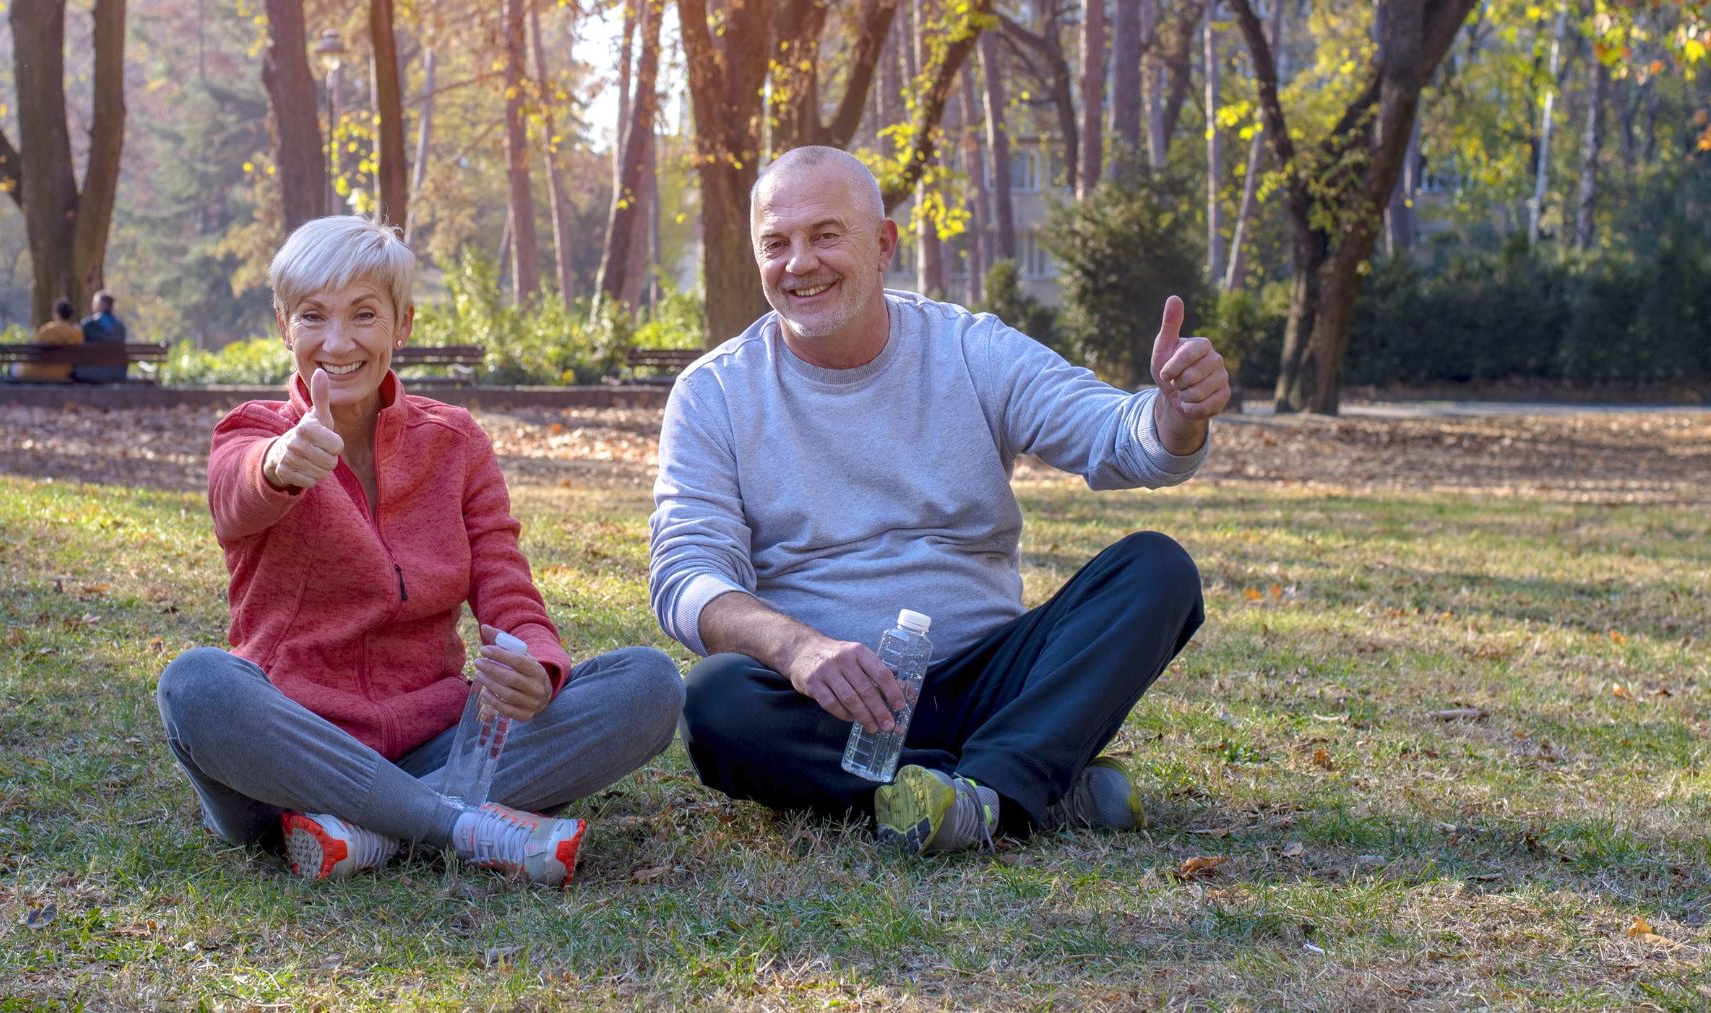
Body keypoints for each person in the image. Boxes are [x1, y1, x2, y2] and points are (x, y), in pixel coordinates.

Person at [649, 146, 1231, 857]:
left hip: (991, 676)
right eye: (777, 243)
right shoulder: (714, 393)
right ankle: (1026, 784)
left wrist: (1177, 414)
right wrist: (799, 649)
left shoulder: (970, 349)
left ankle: (974, 787)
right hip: (832, 708)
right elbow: (685, 574)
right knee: (714, 700)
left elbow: (1119, 436)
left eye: (826, 235)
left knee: (1156, 569)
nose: (800, 263)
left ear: (883, 243)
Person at [157, 215, 683, 885]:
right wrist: (282, 464)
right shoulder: (253, 430)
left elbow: (505, 585)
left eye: (364, 314)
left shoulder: (454, 441)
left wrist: (539, 665)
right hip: (295, 756)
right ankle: (457, 827)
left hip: (436, 743)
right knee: (195, 686)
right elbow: (236, 495)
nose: (337, 341)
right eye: (313, 316)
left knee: (650, 683)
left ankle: (369, 831)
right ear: (284, 324)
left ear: (401, 325)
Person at [15, 298, 84, 382]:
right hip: (61, 373)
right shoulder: (77, 333)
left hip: (36, 372)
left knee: (15, 367)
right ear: (71, 315)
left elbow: (35, 350)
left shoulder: (47, 330)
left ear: (56, 314)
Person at [76, 291, 129, 383]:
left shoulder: (88, 324)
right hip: (118, 372)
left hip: (92, 371)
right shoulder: (121, 327)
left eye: (95, 303)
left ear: (100, 305)